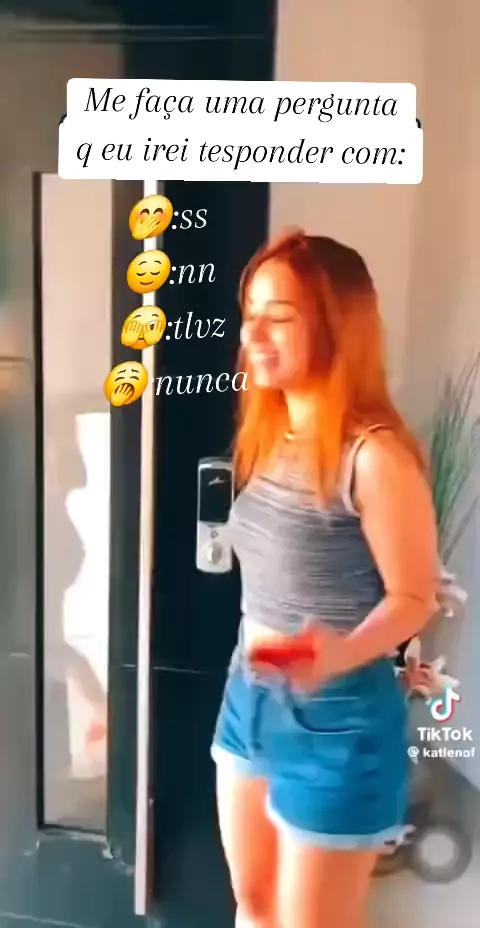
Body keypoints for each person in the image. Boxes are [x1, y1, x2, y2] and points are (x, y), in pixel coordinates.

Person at [211, 230, 438, 928]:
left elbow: (414, 598)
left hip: (337, 718)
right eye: (250, 314)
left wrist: (338, 653)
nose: (252, 335)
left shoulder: (374, 456)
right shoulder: (272, 434)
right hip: (250, 695)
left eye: (278, 316)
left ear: (336, 326)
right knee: (254, 904)